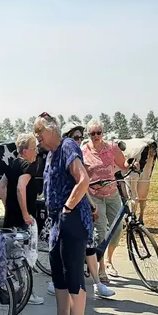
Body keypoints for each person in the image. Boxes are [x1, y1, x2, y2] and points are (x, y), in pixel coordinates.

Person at [33, 112, 91, 315]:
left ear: (52, 130)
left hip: (72, 219)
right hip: (58, 220)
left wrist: (68, 207)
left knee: (74, 273)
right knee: (58, 271)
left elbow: (83, 179)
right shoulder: (51, 153)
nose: (37, 138)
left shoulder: (68, 147)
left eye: (39, 132)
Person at [45, 122, 116, 299]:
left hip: (81, 210)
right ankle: (60, 285)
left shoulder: (76, 154)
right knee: (64, 252)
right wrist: (68, 208)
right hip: (70, 213)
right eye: (75, 137)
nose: (79, 140)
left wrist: (91, 205)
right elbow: (77, 183)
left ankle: (98, 284)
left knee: (89, 247)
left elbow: (82, 186)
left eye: (80, 137)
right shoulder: (66, 154)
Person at [82, 118, 137, 280]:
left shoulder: (112, 148)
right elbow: (81, 174)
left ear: (103, 133)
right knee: (101, 232)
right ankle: (100, 269)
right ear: (88, 134)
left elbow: (123, 164)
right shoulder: (84, 151)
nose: (96, 136)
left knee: (118, 229)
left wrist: (132, 165)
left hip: (112, 193)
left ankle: (109, 260)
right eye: (92, 133)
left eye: (98, 133)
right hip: (94, 195)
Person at [0, 133, 45, 305]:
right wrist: (25, 213)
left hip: (11, 218)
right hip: (25, 220)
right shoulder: (29, 166)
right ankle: (27, 294)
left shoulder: (12, 164)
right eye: (34, 148)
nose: (37, 151)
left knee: (13, 258)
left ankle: (16, 292)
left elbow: (2, 184)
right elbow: (20, 187)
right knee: (28, 257)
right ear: (25, 151)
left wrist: (8, 205)